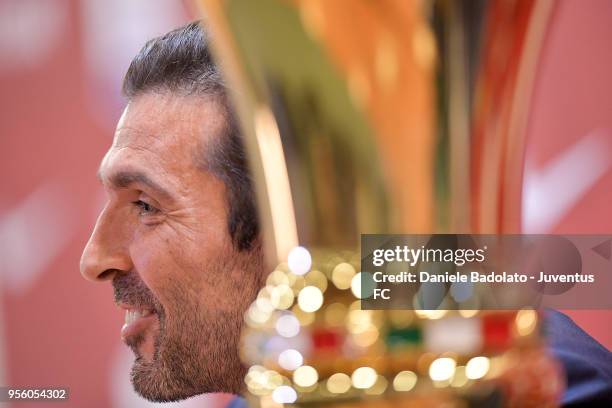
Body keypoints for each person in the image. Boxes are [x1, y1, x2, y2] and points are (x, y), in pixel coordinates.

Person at [80, 21, 612, 406]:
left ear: (289, 215)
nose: (94, 258)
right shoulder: (275, 386)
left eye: (146, 206)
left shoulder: (535, 384)